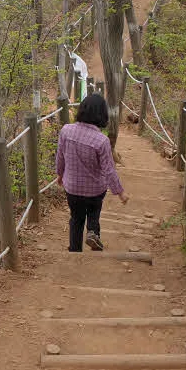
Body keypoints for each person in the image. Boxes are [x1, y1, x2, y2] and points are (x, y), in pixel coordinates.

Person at [55, 93, 128, 252]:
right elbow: (108, 170)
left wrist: (60, 174)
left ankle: (74, 250)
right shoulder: (101, 141)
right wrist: (120, 192)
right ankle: (93, 234)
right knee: (93, 214)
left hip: (72, 188)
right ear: (102, 114)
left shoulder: (66, 131)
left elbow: (60, 156)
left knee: (76, 218)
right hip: (95, 190)